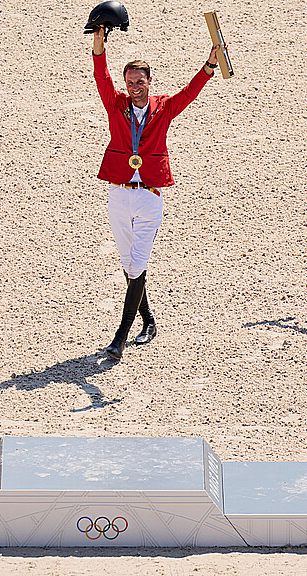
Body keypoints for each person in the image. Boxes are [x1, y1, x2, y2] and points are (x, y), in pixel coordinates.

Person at [91, 25, 221, 360]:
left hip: (149, 195)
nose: (134, 88)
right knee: (129, 265)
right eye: (129, 82)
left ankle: (119, 338)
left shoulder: (163, 108)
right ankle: (148, 319)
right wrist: (98, 45)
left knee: (137, 263)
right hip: (119, 193)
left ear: (150, 81)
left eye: (139, 81)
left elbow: (189, 93)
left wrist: (209, 66)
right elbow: (101, 77)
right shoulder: (116, 105)